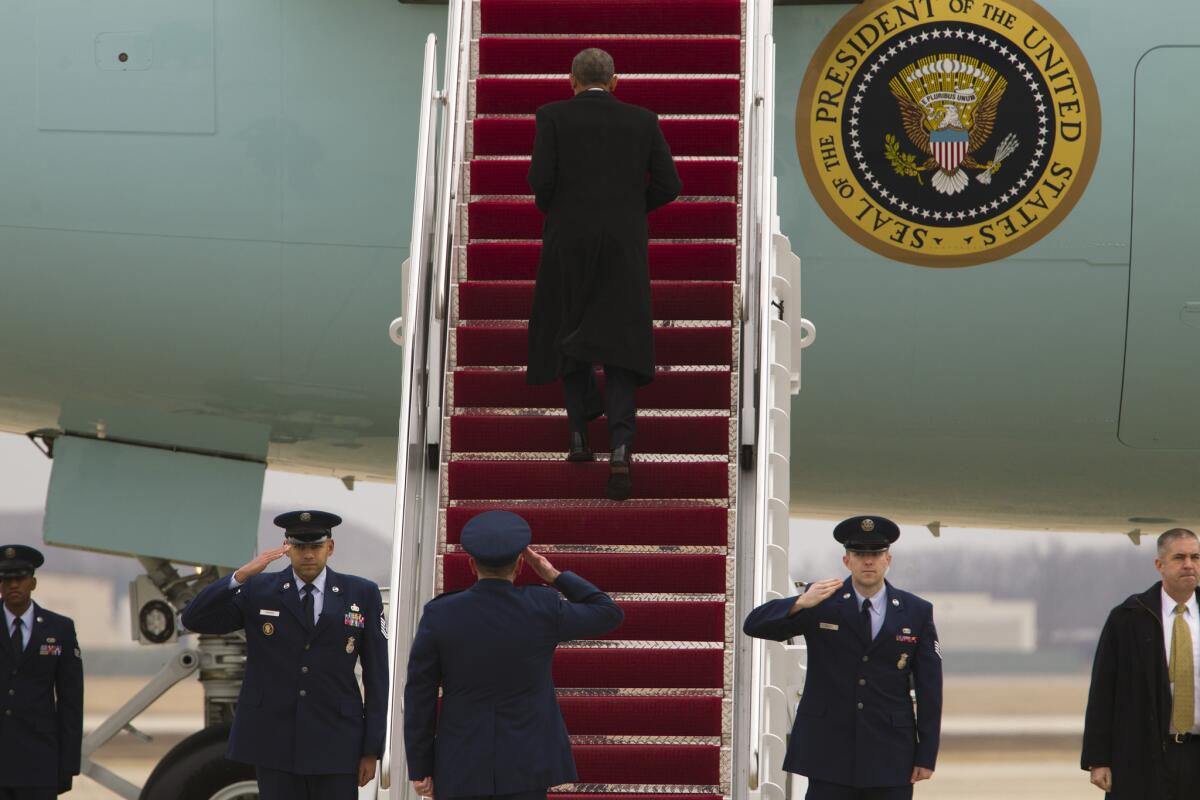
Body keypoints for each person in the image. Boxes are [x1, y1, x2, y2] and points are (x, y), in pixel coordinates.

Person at [525, 47, 682, 501]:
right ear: (616, 82)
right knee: (621, 347)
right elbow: (670, 185)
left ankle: (578, 438)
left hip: (566, 242)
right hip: (623, 247)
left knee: (569, 329)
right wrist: (630, 212)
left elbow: (540, 181)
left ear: (570, 81)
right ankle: (619, 448)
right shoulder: (643, 120)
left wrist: (563, 214)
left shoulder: (551, 115)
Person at [403, 510, 624, 800]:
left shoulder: (440, 613)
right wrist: (554, 575)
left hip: (460, 764)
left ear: (471, 564)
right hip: (526, 764)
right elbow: (609, 613)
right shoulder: (542, 608)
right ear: (521, 565)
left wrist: (421, 767)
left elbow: (420, 694)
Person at [180, 511, 387, 800]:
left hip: (337, 741)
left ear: (330, 547)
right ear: (287, 548)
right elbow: (194, 618)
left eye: (315, 546)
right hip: (275, 742)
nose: (308, 555)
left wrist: (371, 749)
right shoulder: (260, 590)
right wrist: (242, 575)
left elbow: (378, 675)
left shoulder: (360, 593)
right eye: (300, 547)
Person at [743, 516, 942, 800]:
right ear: (846, 560)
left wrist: (926, 753)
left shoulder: (916, 611)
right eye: (860, 554)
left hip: (891, 754)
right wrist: (799, 602)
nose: (868, 561)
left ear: (888, 559)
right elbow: (753, 625)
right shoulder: (821, 601)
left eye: (875, 554)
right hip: (829, 754)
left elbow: (929, 688)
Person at [1081, 527, 1200, 799]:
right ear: (1159, 565)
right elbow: (1103, 692)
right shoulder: (1128, 618)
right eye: (1179, 557)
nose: (1189, 565)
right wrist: (1098, 758)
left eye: (1196, 557)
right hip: (1145, 755)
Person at [0, 545, 83, 799]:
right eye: (6, 579)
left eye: (21, 578)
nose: (14, 585)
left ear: (33, 582)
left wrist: (67, 765)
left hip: (39, 763)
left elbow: (71, 701)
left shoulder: (60, 629)